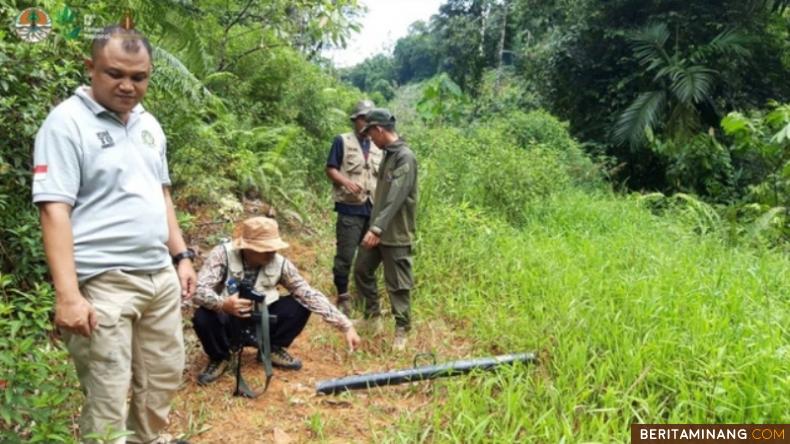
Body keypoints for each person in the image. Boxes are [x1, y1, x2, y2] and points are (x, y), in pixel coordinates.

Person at [32, 26, 195, 444]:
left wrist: (181, 256)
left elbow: (161, 194)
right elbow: (54, 209)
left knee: (162, 380)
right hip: (102, 281)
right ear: (91, 68)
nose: (127, 86)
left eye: (138, 77)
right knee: (106, 395)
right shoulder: (66, 124)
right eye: (114, 74)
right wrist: (68, 296)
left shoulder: (148, 124)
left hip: (158, 276)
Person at [192, 216, 361, 385]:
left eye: (273, 247)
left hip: (263, 318)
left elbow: (308, 294)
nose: (272, 252)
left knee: (300, 304)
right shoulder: (222, 254)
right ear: (248, 248)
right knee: (203, 316)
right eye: (265, 248)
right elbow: (198, 290)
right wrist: (222, 304)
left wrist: (345, 325)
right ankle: (219, 357)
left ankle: (271, 348)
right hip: (228, 317)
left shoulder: (280, 264)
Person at [353, 109, 418, 351]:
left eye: (370, 134)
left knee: (398, 283)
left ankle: (402, 329)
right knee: (361, 269)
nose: (371, 139)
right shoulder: (388, 155)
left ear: (379, 130)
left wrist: (377, 228)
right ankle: (372, 319)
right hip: (377, 230)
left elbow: (396, 197)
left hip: (395, 233)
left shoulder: (404, 157)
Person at [325, 99, 382, 316]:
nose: (366, 123)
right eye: (363, 119)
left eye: (370, 119)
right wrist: (345, 181)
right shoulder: (342, 141)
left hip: (372, 209)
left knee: (367, 258)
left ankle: (363, 295)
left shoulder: (378, 143)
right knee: (345, 256)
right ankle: (342, 295)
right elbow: (330, 168)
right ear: (355, 120)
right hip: (350, 208)